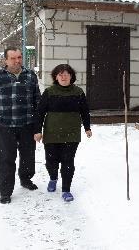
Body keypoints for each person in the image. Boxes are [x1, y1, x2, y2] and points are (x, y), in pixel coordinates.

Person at [0, 47, 41, 204]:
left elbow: (37, 100)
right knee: (6, 158)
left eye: (19, 57)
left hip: (27, 124)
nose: (17, 61)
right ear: (5, 60)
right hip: (5, 126)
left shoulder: (30, 75)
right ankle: (5, 191)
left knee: (28, 155)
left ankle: (26, 179)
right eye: (13, 58)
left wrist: (37, 122)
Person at [34, 64, 91, 202]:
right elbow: (40, 113)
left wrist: (87, 128)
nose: (63, 76)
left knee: (68, 161)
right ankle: (53, 178)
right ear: (55, 77)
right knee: (51, 161)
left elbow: (84, 111)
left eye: (66, 74)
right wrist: (38, 131)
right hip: (51, 133)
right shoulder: (49, 92)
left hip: (71, 133)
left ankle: (66, 189)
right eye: (60, 74)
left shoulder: (78, 92)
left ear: (71, 76)